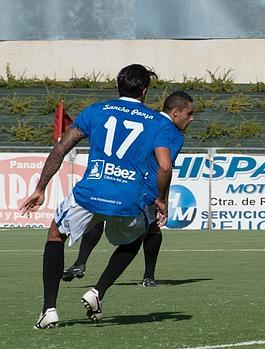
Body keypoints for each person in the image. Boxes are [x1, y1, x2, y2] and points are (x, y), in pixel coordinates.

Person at [20, 64, 173, 329]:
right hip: (128, 197)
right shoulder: (158, 122)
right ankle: (98, 291)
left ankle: (49, 310)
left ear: (118, 85)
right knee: (137, 238)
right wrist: (162, 200)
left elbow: (61, 148)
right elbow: (165, 166)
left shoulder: (96, 110)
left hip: (91, 192)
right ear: (145, 91)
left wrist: (40, 188)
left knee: (55, 235)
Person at [62, 91, 194, 287]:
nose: (192, 118)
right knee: (150, 230)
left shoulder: (146, 117)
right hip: (141, 189)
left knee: (98, 214)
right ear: (176, 112)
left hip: (113, 178)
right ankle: (143, 278)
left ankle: (80, 263)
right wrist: (160, 198)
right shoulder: (171, 133)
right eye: (189, 113)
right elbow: (162, 166)